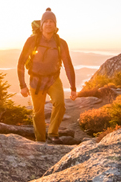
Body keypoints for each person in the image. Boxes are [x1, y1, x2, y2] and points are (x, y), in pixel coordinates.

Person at [17, 8, 77, 143]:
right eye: (46, 21)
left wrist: (73, 87)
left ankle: (53, 133)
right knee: (38, 112)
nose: (49, 24)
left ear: (55, 25)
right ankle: (40, 141)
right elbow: (20, 63)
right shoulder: (32, 41)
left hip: (53, 79)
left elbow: (68, 65)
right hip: (35, 80)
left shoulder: (61, 43)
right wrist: (22, 85)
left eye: (52, 21)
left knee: (60, 104)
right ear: (42, 24)